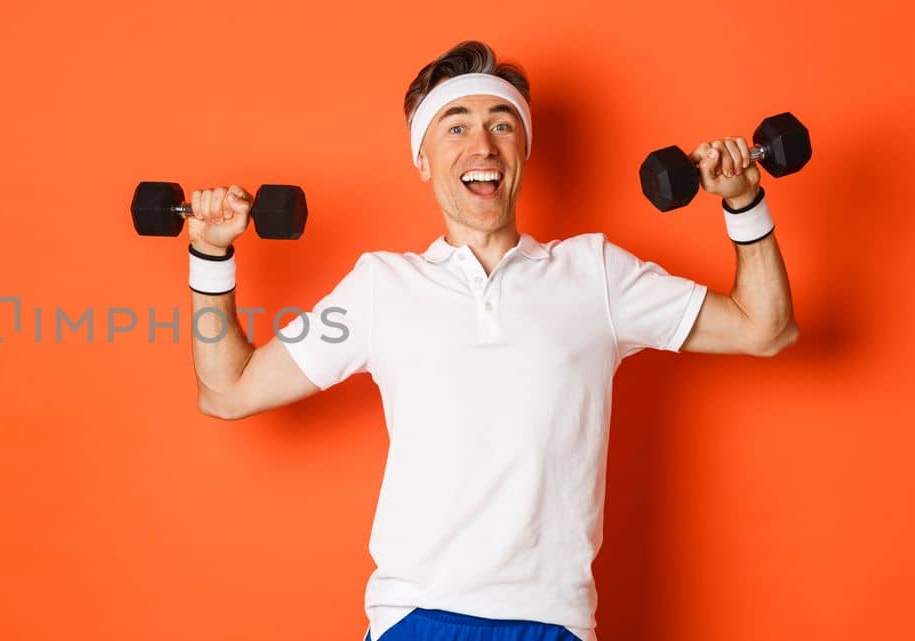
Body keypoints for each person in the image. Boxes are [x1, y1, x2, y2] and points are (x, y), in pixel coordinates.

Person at [182, 41, 798, 641]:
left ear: (523, 150)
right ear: (421, 158)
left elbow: (764, 328)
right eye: (455, 126)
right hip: (414, 614)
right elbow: (228, 391)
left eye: (502, 125)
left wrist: (744, 202)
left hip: (553, 618)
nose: (481, 145)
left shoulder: (595, 274)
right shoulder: (380, 287)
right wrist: (211, 253)